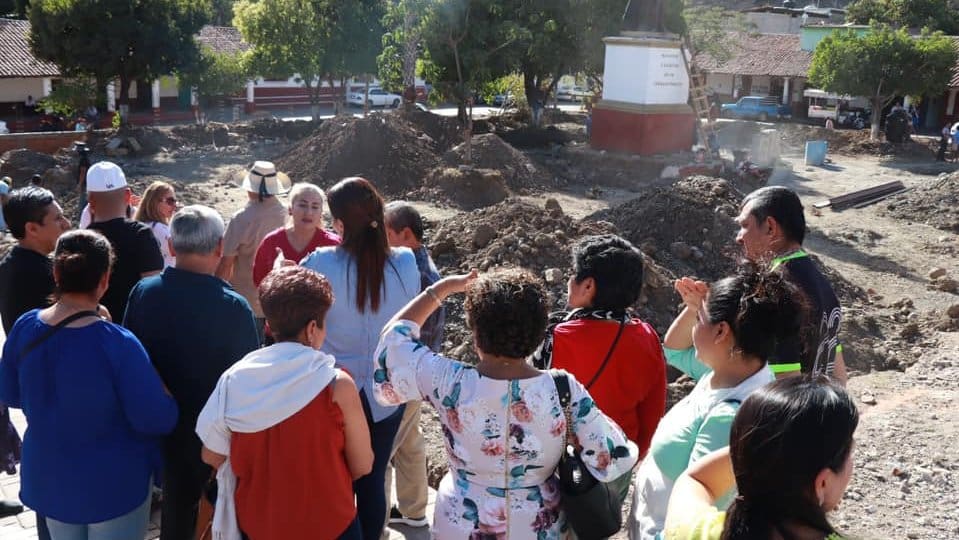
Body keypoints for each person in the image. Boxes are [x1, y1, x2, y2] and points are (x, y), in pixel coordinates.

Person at [373, 268, 640, 539]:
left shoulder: (447, 381)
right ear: (539, 334)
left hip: (462, 524)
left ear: (475, 334)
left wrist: (442, 289)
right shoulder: (562, 388)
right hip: (540, 526)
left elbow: (393, 341)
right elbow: (614, 455)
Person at [0, 229, 178, 540]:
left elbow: (12, 394)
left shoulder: (25, 326)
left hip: (50, 478)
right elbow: (158, 418)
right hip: (113, 485)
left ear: (56, 273)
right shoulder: (118, 342)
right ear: (105, 280)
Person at [196, 266, 374, 540]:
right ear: (312, 329)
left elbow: (211, 455)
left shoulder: (234, 381)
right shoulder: (337, 386)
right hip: (331, 525)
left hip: (259, 526)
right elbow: (363, 464)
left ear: (269, 324)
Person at [628, 269, 804, 540]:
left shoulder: (731, 417)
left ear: (721, 331)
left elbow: (697, 516)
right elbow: (674, 350)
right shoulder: (732, 372)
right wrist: (694, 308)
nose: (693, 326)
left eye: (699, 320)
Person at [123, 205, 260, 540]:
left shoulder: (144, 293)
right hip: (213, 434)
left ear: (171, 245)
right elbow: (247, 379)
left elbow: (131, 359)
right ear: (219, 247)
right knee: (216, 511)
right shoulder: (233, 307)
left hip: (159, 427)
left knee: (176, 511)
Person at [301, 177, 420, 540]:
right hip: (387, 392)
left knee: (334, 479)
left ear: (338, 224)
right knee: (372, 478)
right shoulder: (406, 261)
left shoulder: (320, 262)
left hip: (335, 391)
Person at [663, 375, 858, 540]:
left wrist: (756, 447)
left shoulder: (696, 531)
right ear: (822, 484)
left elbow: (695, 480)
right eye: (850, 452)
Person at [533, 234, 666, 459]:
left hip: (558, 463)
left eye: (573, 274)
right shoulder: (647, 336)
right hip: (618, 460)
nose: (569, 280)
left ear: (588, 286)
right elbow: (652, 411)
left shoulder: (554, 338)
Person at [0, 186, 72, 524]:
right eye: (57, 219)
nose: (65, 223)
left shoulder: (12, 263)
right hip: (52, 385)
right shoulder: (39, 273)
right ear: (32, 228)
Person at [735, 186, 847, 383]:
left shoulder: (774, 288)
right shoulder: (822, 285)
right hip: (824, 400)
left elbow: (784, 380)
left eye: (745, 225)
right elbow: (839, 376)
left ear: (770, 227)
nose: (739, 237)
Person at [382, 202, 445, 530]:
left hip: (405, 373)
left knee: (383, 447)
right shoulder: (420, 264)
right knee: (409, 441)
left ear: (405, 234)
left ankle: (375, 522)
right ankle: (414, 509)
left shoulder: (414, 273)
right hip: (416, 372)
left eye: (386, 233)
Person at [216, 161, 289, 344]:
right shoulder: (286, 215)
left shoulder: (241, 218)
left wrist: (215, 295)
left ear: (251, 188)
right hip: (278, 300)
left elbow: (226, 263)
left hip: (246, 300)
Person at [85, 161, 163, 319]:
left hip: (90, 326)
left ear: (91, 200)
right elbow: (153, 291)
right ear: (127, 195)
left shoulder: (80, 240)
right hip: (132, 327)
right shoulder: (142, 235)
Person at [251, 182, 340, 289]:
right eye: (303, 205)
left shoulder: (334, 245)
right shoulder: (271, 242)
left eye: (315, 207)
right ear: (290, 209)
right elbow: (259, 282)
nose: (309, 212)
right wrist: (276, 275)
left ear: (321, 213)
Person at [133, 181, 178, 268]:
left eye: (175, 201)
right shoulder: (158, 227)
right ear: (155, 202)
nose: (174, 206)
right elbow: (180, 252)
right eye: (170, 201)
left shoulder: (142, 225)